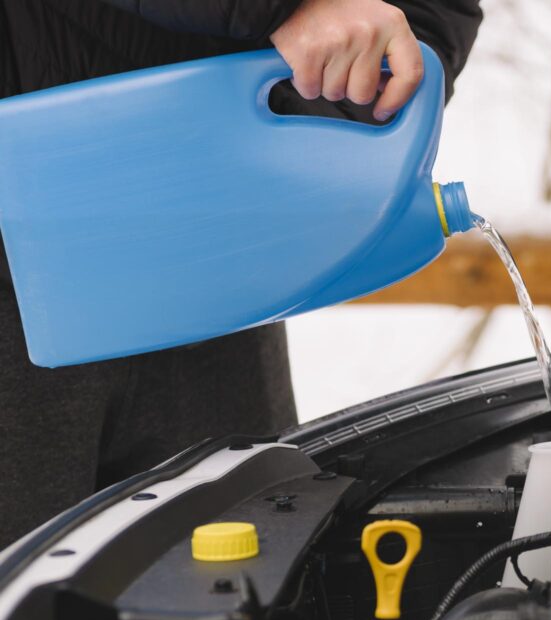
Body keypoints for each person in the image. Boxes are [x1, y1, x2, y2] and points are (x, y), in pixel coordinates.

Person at [0, 0, 483, 548]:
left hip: (226, 271)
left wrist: (358, 98)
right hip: (18, 277)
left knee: (245, 586)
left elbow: (430, 14)